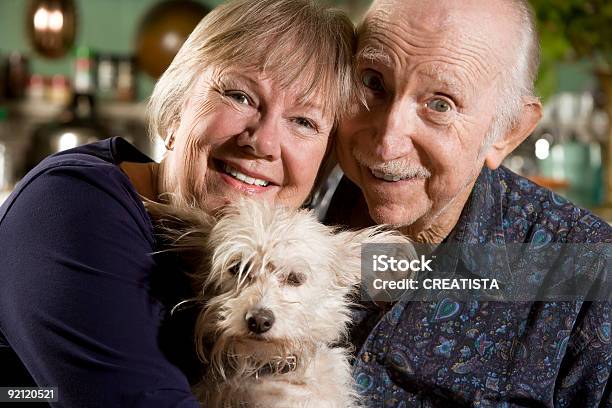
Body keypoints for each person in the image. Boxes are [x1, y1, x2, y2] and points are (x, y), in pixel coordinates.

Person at [0, 0, 356, 406]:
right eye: (240, 96)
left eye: (304, 122)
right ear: (177, 105)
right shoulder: (72, 210)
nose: (263, 142)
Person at [325, 0, 611, 406]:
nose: (388, 140)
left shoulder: (590, 271)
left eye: (440, 104)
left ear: (508, 131)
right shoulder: (292, 200)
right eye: (373, 82)